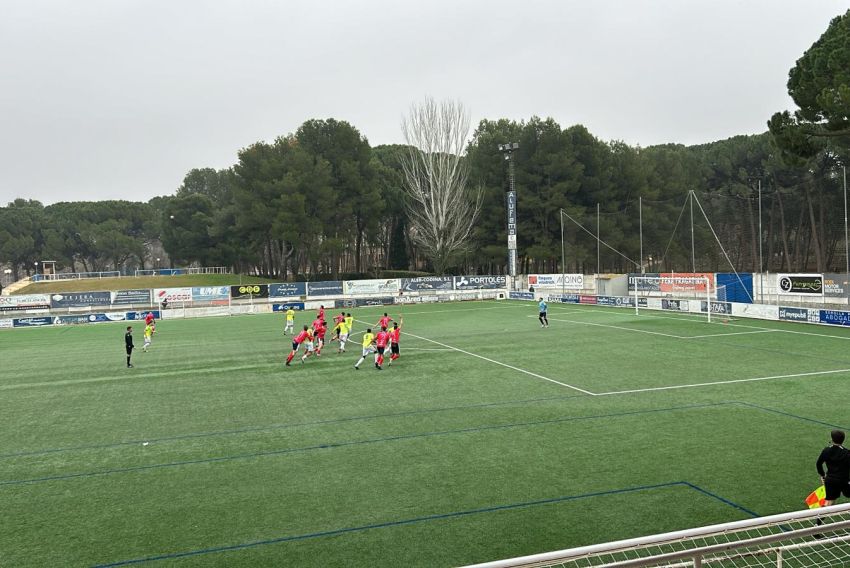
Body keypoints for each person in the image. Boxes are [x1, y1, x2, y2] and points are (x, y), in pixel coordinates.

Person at [817, 430, 850, 507]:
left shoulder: (826, 450)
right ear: (843, 440)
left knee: (829, 502)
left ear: (832, 439)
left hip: (830, 480)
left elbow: (818, 464)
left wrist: (822, 475)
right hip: (843, 480)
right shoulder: (847, 453)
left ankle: (819, 518)